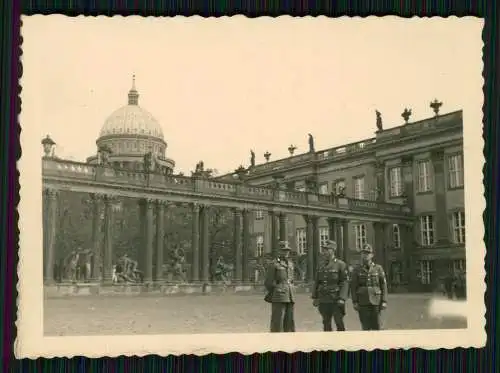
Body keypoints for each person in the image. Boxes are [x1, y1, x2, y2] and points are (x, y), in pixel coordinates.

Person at [311, 240, 349, 331]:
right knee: (326, 323)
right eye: (324, 250)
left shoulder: (340, 264)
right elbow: (317, 281)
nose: (324, 252)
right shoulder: (321, 265)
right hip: (324, 299)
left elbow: (344, 282)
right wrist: (315, 297)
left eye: (327, 250)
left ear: (333, 250)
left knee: (339, 321)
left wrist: (342, 298)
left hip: (336, 299)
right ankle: (328, 343)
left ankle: (342, 343)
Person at [350, 243, 388, 330]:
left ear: (372, 255)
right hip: (362, 301)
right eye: (363, 253)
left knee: (377, 325)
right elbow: (353, 287)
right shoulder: (357, 270)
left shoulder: (378, 268)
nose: (365, 255)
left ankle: (377, 343)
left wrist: (384, 300)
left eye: (367, 253)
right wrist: (355, 301)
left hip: (376, 300)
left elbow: (383, 285)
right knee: (365, 326)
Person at [264, 241, 296, 333]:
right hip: (279, 296)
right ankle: (276, 341)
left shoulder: (290, 264)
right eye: (283, 250)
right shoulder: (274, 264)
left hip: (290, 295)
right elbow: (268, 282)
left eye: (287, 250)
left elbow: (291, 279)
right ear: (279, 251)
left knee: (289, 320)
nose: (286, 252)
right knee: (278, 320)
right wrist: (276, 290)